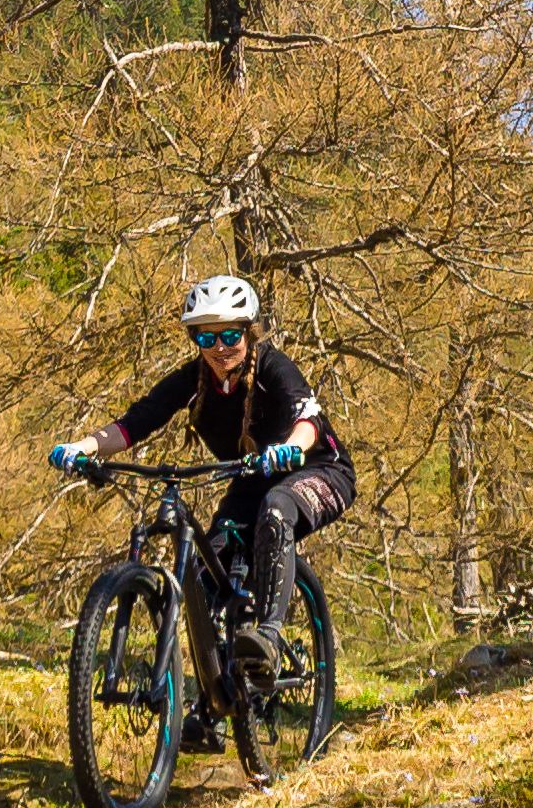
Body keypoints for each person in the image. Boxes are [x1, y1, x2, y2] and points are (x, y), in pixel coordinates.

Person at [52, 276, 354, 679]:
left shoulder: (272, 367)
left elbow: (308, 416)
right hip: (252, 480)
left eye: (230, 335)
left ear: (248, 332)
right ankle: (212, 704)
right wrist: (84, 447)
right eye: (206, 339)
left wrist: (292, 448)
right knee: (205, 576)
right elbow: (134, 422)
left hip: (318, 469)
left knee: (276, 511)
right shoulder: (194, 381)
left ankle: (268, 634)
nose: (219, 349)